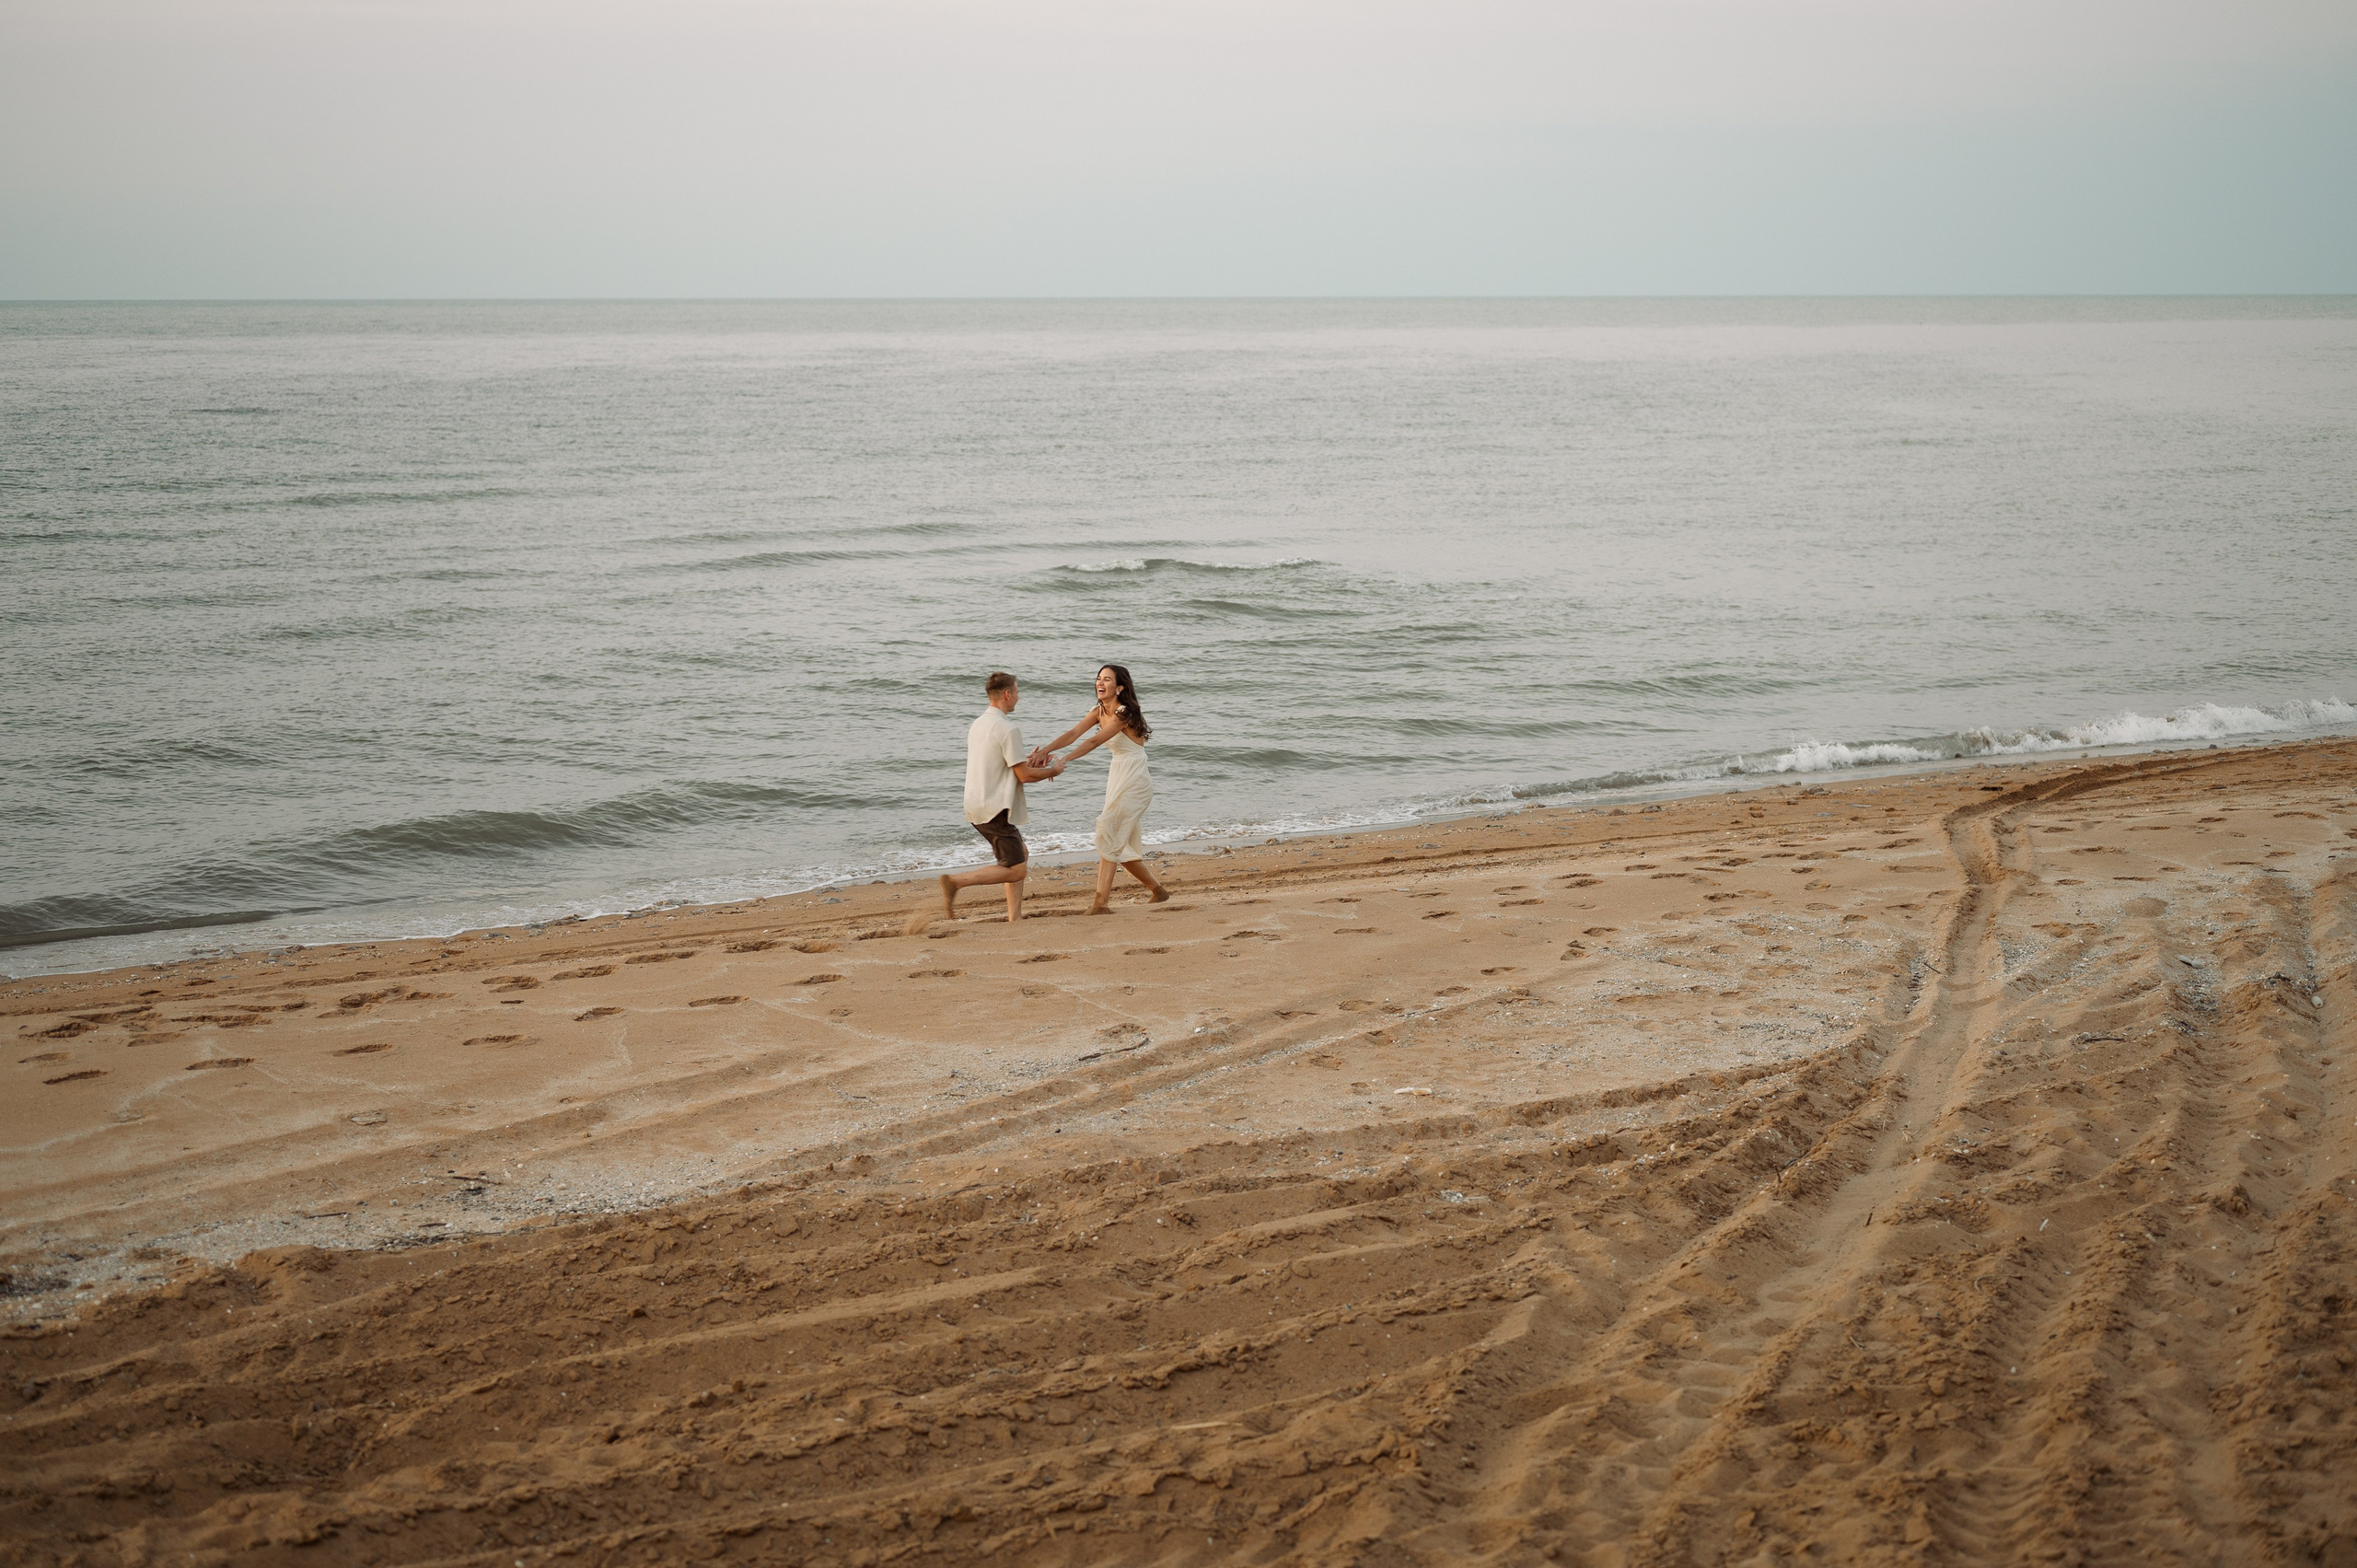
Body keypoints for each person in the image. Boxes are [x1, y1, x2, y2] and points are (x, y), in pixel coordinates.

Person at [1043, 663, 1170, 914]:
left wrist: (1064, 760)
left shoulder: (1125, 713)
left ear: (1119, 687)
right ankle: (1158, 891)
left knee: (1110, 834)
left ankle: (1100, 903)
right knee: (1117, 842)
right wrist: (1045, 751)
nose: (1100, 683)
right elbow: (1073, 733)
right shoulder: (1098, 711)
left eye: (1107, 679)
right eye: (1099, 678)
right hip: (1118, 777)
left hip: (1135, 780)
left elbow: (1094, 741)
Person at [939, 671, 1064, 923]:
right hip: (993, 807)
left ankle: (1014, 917)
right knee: (1016, 869)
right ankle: (956, 881)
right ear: (1007, 694)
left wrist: (1027, 761)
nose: (1018, 697)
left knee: (1021, 854)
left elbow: (999, 763)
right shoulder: (1008, 729)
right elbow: (1024, 776)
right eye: (1017, 693)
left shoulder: (978, 724)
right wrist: (1054, 771)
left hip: (975, 803)